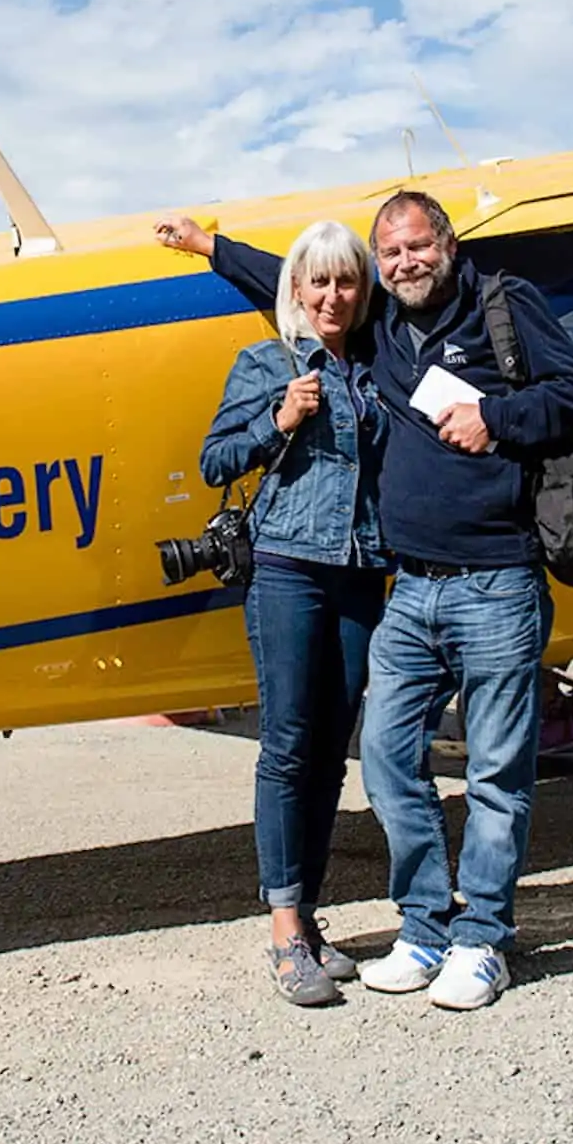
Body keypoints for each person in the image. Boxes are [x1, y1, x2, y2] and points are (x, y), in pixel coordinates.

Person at [157, 193, 573, 1009]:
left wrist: (494, 416)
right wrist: (210, 247)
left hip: (456, 578)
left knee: (461, 768)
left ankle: (474, 938)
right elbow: (300, 288)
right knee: (365, 758)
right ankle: (377, 927)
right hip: (362, 581)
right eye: (387, 254)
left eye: (414, 247)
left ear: (446, 244)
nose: (399, 266)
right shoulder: (329, 349)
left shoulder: (460, 319)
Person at [196, 219, 390, 1007]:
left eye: (346, 281)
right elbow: (212, 460)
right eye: (318, 282)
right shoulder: (265, 362)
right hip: (285, 566)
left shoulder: (378, 365)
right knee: (286, 744)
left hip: (359, 568)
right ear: (296, 292)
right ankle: (282, 931)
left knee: (328, 750)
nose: (333, 295)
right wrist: (276, 420)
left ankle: (309, 918)